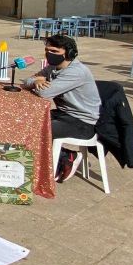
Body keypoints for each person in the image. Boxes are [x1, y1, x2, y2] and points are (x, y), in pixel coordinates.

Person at [23, 34, 102, 182]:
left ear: (69, 53)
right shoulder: (53, 68)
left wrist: (38, 82)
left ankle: (68, 156)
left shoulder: (76, 71)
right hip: (64, 115)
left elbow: (45, 92)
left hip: (82, 122)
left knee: (39, 129)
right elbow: (27, 81)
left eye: (54, 51)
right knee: (26, 121)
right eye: (47, 50)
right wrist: (36, 80)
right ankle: (50, 160)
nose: (49, 54)